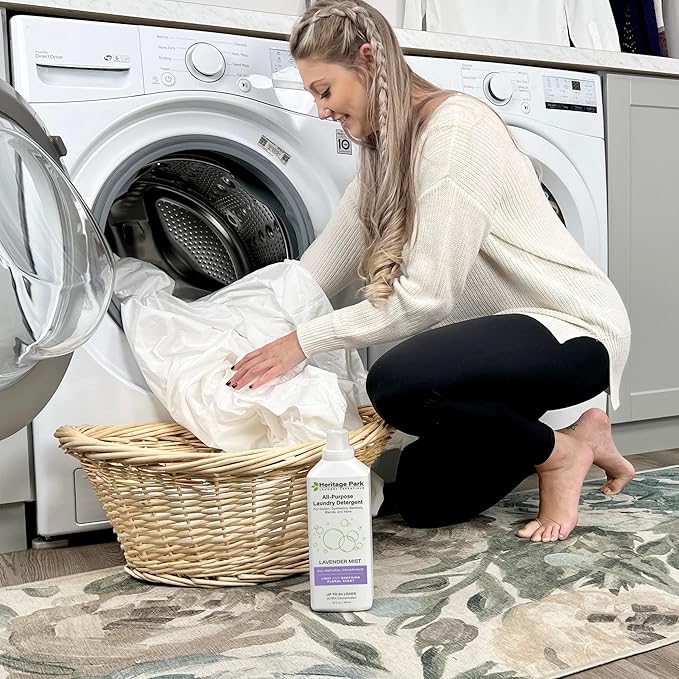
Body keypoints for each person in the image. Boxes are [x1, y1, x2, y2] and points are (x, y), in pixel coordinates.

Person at [229, 0, 634, 543]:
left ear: (368, 61)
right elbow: (317, 273)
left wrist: (302, 342)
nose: (322, 111)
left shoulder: (456, 130)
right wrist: (233, 327)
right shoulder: (383, 158)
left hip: (570, 328)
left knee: (396, 384)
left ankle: (559, 455)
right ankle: (584, 436)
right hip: (496, 359)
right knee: (424, 499)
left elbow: (427, 299)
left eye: (325, 91)